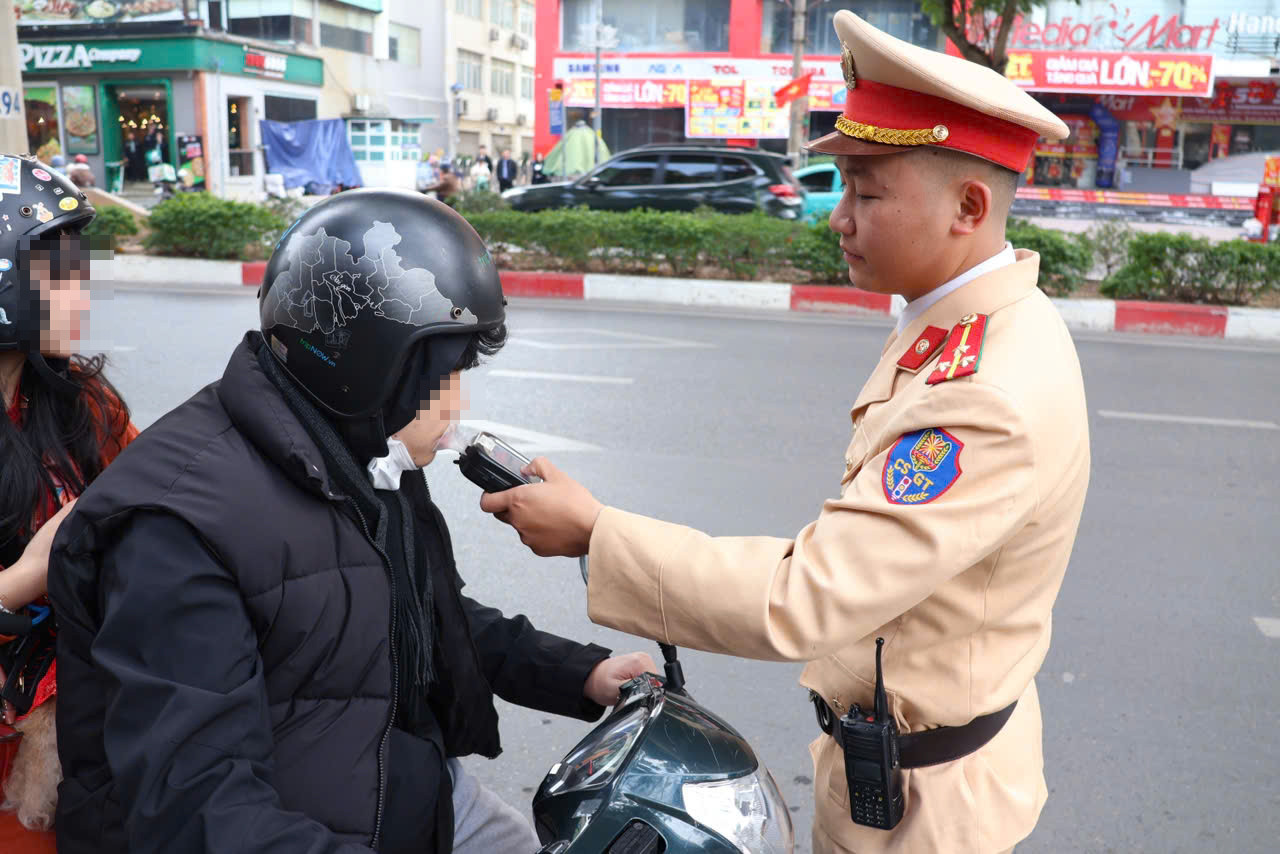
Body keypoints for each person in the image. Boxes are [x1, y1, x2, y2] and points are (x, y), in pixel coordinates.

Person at [481, 12, 1088, 854]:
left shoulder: (984, 389)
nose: (840, 218)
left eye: (867, 193)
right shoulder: (970, 322)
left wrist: (597, 534)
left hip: (927, 809)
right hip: (905, 761)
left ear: (969, 206)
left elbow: (809, 594)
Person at [47, 190, 654, 854]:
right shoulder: (178, 530)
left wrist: (580, 674)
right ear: (368, 367)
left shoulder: (355, 453)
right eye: (445, 374)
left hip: (403, 791)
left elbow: (413, 615)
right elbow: (200, 810)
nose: (458, 404)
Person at [0, 155, 137, 853]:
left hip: (88, 730)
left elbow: (156, 495)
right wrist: (30, 573)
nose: (82, 292)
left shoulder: (85, 404)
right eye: (59, 274)